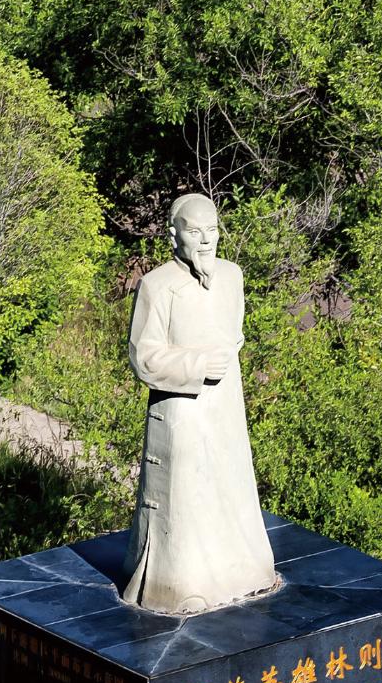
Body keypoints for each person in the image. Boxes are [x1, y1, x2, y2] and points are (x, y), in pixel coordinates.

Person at [119, 194, 277, 612]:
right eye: (194, 231)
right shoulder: (157, 286)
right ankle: (179, 582)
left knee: (231, 483)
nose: (206, 240)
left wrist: (223, 358)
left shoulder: (232, 276)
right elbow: (143, 356)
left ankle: (245, 569)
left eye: (212, 230)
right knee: (185, 495)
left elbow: (234, 331)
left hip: (226, 404)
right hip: (182, 407)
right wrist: (197, 364)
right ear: (174, 236)